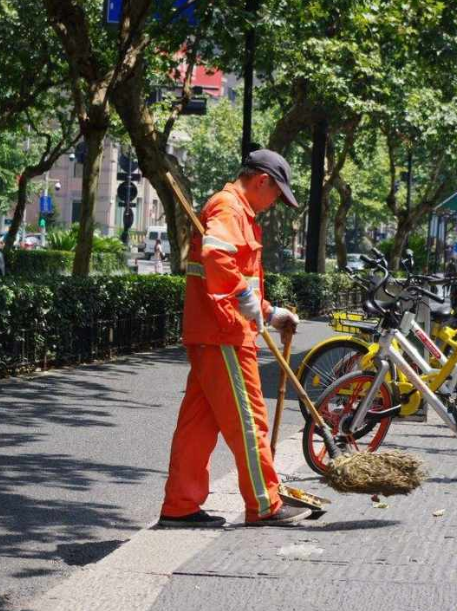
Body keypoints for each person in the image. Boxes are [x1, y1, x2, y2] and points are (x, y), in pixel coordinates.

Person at [158, 149, 309, 529]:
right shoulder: (229, 208)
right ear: (262, 181)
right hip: (225, 333)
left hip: (215, 331)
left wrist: (271, 313)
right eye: (276, 194)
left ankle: (180, 505)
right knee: (249, 419)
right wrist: (244, 300)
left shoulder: (235, 209)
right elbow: (218, 259)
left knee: (198, 424)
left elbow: (234, 272)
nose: (275, 204)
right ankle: (265, 503)